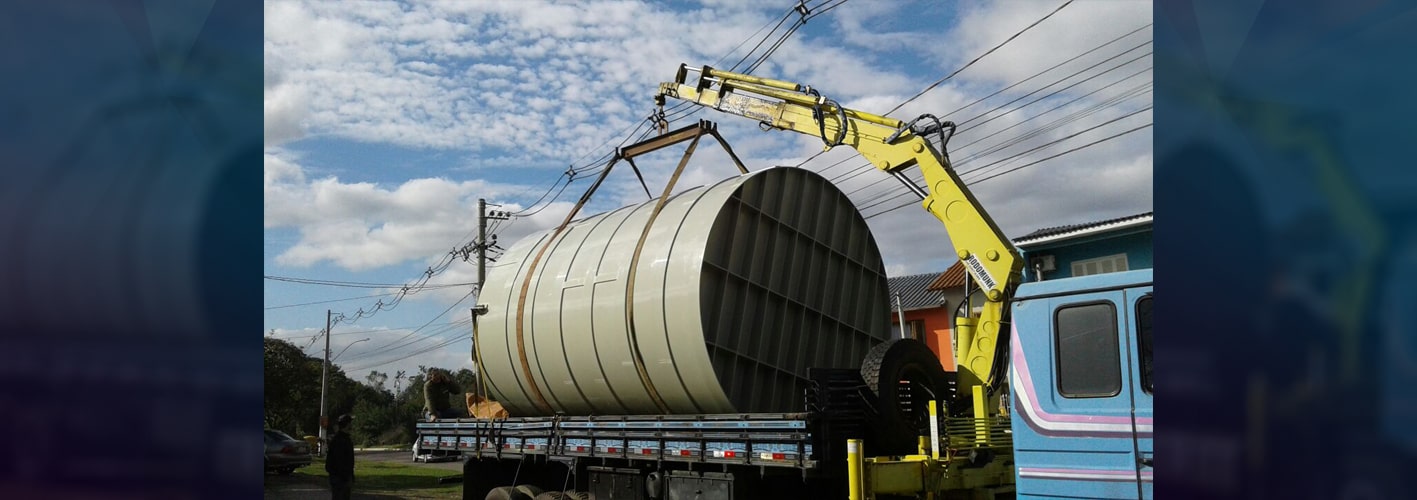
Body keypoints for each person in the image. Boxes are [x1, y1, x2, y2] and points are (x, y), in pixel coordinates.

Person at [325, 414, 355, 500]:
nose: (351, 425)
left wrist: (351, 475)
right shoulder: (339, 440)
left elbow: (349, 460)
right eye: (350, 423)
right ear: (347, 424)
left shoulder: (346, 439)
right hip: (339, 478)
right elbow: (338, 461)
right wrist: (345, 476)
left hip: (344, 477)